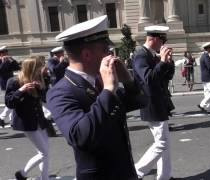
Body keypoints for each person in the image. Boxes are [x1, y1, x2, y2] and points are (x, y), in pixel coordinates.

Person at [46, 15, 143, 179]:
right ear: (87, 54)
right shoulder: (60, 91)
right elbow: (79, 136)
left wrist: (127, 80)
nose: (110, 54)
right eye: (105, 49)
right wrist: (108, 91)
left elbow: (140, 101)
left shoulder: (99, 80)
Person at [133, 25, 175, 180]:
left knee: (164, 142)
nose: (163, 44)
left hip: (159, 102)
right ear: (155, 39)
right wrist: (162, 61)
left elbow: (166, 77)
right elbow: (149, 80)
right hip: (151, 103)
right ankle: (136, 172)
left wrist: (168, 62)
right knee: (162, 143)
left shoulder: (151, 55)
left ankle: (165, 175)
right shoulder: (141, 55)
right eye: (162, 40)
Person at [5, 56, 50, 180]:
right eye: (38, 68)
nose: (41, 70)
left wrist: (41, 89)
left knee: (45, 153)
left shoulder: (38, 79)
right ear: (31, 68)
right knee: (43, 153)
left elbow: (43, 100)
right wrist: (21, 90)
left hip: (40, 120)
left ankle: (44, 177)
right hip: (27, 122)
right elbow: (9, 103)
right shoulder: (14, 81)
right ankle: (22, 174)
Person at [0, 46, 20, 127]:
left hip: (12, 82)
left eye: (6, 52)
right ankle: (3, 117)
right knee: (12, 100)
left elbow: (17, 68)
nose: (6, 54)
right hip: (4, 83)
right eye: (4, 53)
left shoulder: (9, 60)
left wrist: (12, 60)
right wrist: (3, 62)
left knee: (13, 100)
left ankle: (11, 119)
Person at [197, 42, 210, 113]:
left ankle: (209, 109)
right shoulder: (206, 56)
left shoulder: (203, 55)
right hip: (208, 77)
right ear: (208, 48)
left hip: (204, 77)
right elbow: (209, 67)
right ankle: (202, 104)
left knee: (207, 93)